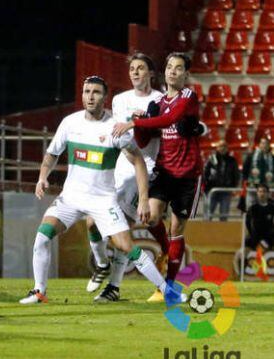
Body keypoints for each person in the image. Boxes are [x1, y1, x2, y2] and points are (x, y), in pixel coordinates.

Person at [20, 76, 179, 305]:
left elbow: (138, 162)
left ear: (105, 98)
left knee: (126, 246)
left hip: (103, 200)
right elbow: (52, 154)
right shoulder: (70, 123)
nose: (90, 96)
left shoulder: (115, 128)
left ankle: (167, 291)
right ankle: (39, 291)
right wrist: (42, 178)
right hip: (71, 197)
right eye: (86, 91)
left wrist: (143, 199)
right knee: (42, 236)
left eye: (96, 92)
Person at [113, 52, 202, 303]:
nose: (173, 71)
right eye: (169, 67)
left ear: (185, 74)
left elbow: (172, 119)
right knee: (151, 217)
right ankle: (165, 249)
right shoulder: (160, 102)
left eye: (178, 68)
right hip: (165, 171)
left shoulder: (188, 96)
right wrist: (142, 121)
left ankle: (169, 288)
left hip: (188, 175)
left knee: (176, 229)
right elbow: (144, 141)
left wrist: (134, 123)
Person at [86, 52, 167, 303]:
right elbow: (119, 135)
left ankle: (114, 286)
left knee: (122, 229)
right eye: (132, 68)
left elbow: (159, 132)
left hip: (143, 169)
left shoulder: (161, 99)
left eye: (141, 68)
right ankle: (104, 268)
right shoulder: (120, 100)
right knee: (93, 223)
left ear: (151, 73)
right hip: (119, 165)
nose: (135, 72)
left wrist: (142, 125)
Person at [203, 140, 240, 222]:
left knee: (224, 215)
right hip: (212, 190)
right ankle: (205, 232)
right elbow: (205, 173)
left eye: (224, 146)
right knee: (208, 215)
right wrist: (206, 187)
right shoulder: (211, 159)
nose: (222, 148)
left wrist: (233, 187)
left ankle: (223, 233)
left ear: (227, 148)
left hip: (226, 191)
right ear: (217, 148)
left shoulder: (232, 160)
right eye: (220, 146)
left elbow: (236, 175)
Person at [242, 137, 274, 208]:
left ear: (269, 145)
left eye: (266, 143)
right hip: (252, 187)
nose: (264, 145)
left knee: (266, 209)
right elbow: (245, 170)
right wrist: (245, 181)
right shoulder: (251, 156)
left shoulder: (272, 157)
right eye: (262, 143)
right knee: (250, 209)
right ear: (259, 144)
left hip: (267, 188)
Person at [245, 184, 274, 250]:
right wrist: (251, 233)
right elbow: (248, 223)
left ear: (268, 193)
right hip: (255, 237)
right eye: (260, 191)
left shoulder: (272, 207)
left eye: (264, 191)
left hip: (269, 236)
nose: (262, 194)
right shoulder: (252, 208)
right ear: (257, 193)